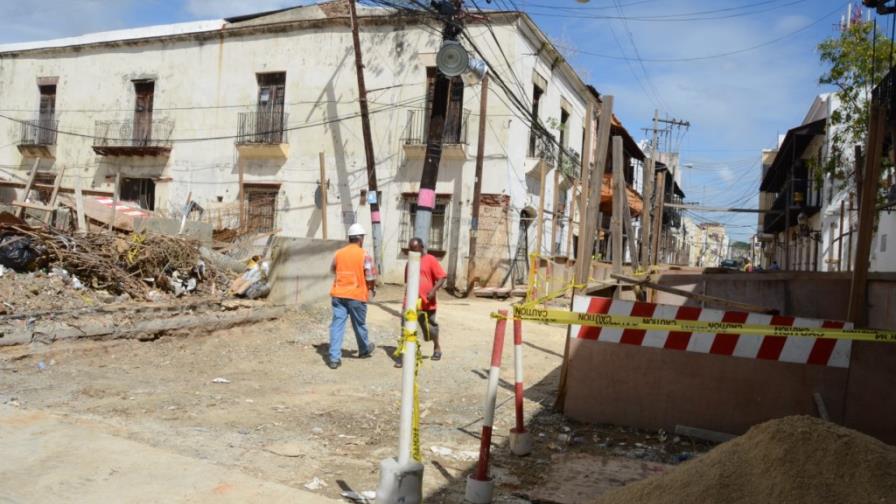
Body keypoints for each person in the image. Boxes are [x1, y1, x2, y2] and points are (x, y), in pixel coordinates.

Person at [327, 223, 377, 369]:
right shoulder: (364, 254)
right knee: (359, 324)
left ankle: (334, 358)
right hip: (356, 295)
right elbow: (370, 276)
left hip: (338, 295)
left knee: (337, 326)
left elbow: (332, 270)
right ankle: (363, 349)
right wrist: (371, 289)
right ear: (360, 239)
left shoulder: (338, 253)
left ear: (349, 238)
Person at [398, 237, 447, 366]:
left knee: (430, 328)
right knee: (405, 328)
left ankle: (437, 347)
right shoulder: (410, 261)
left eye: (414, 249)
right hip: (410, 302)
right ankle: (405, 355)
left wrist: (433, 291)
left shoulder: (430, 260)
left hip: (427, 302)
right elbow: (407, 282)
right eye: (410, 250)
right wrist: (405, 300)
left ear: (421, 247)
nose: (412, 252)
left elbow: (442, 277)